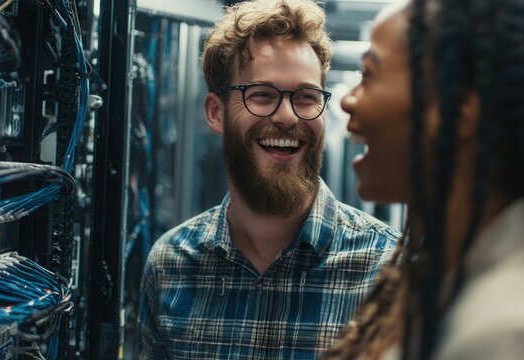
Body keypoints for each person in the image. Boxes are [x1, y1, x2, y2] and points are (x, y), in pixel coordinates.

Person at [138, 0, 400, 358]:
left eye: (306, 97)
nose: (287, 116)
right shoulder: (171, 266)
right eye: (261, 95)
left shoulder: (390, 271)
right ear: (216, 113)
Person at [324, 0, 524, 359]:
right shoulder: (444, 278)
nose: (347, 101)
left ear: (460, 110)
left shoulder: (520, 328)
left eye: (370, 73)